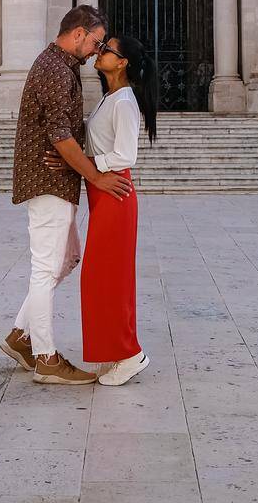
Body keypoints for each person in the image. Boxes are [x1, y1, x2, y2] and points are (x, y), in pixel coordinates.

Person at [0, 5, 132, 386]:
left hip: (57, 181)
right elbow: (60, 135)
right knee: (46, 267)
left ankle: (20, 337)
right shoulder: (57, 70)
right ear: (78, 34)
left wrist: (76, 161)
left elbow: (65, 133)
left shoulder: (60, 66)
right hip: (47, 182)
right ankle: (46, 358)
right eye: (95, 41)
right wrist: (96, 176)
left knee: (65, 260)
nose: (96, 49)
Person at [79, 32, 158, 386]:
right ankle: (113, 351)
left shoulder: (124, 100)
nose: (100, 52)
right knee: (100, 279)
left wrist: (86, 162)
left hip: (114, 191)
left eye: (107, 49)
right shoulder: (108, 97)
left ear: (122, 62)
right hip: (103, 191)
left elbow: (127, 155)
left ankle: (130, 353)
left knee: (110, 278)